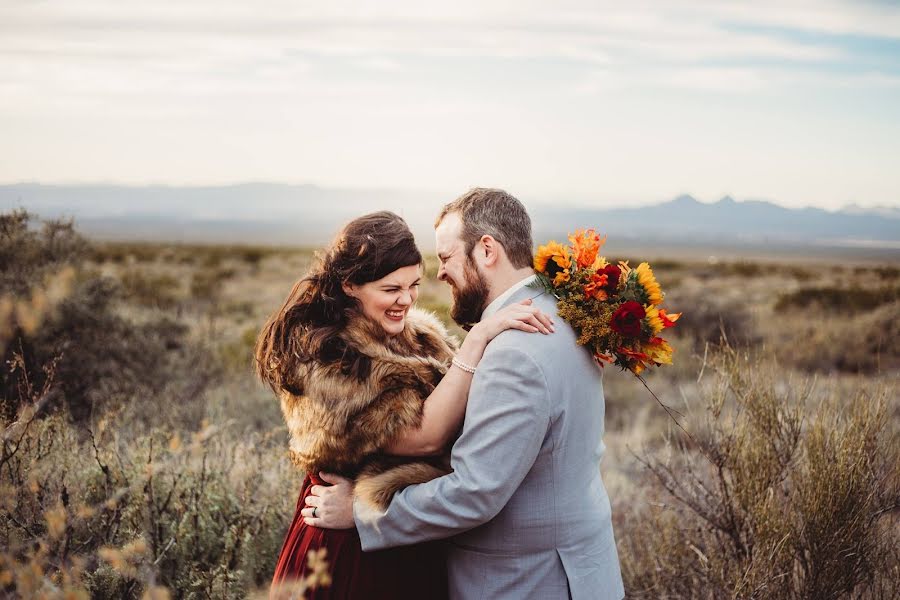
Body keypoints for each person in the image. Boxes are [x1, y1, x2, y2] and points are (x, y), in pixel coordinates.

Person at [304, 189, 625, 600]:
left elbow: (475, 493)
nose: (439, 275)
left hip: (526, 582)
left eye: (447, 257)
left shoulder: (514, 351)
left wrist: (362, 511)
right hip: (578, 568)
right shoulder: (566, 313)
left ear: (487, 250)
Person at [255, 210, 554, 599]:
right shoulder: (330, 360)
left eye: (413, 285)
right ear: (350, 286)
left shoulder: (420, 338)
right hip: (349, 547)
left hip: (403, 538)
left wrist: (554, 356)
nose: (406, 300)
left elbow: (471, 401)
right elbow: (425, 438)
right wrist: (478, 339)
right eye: (390, 289)